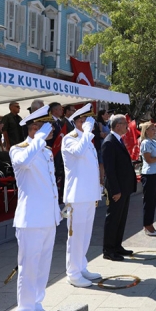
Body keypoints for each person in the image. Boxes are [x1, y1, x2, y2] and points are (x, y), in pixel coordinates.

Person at [9, 105, 60, 311]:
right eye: (47, 127)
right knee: (29, 269)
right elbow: (24, 163)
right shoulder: (18, 149)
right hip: (30, 219)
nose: (52, 132)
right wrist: (38, 138)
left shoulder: (46, 151)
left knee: (42, 267)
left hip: (48, 217)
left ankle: (36, 305)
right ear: (34, 129)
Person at [61, 104, 102, 288]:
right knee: (75, 236)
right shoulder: (70, 139)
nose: (87, 124)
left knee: (85, 234)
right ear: (75, 122)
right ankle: (73, 273)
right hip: (77, 196)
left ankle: (82, 266)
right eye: (82, 120)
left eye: (87, 121)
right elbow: (78, 152)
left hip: (89, 194)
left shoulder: (87, 140)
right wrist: (86, 132)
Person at [101, 114, 137, 261]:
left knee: (121, 219)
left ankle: (117, 246)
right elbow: (109, 169)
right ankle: (109, 250)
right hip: (117, 189)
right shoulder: (109, 142)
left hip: (124, 187)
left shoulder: (118, 140)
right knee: (113, 219)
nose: (127, 126)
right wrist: (115, 190)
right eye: (125, 123)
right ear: (117, 126)